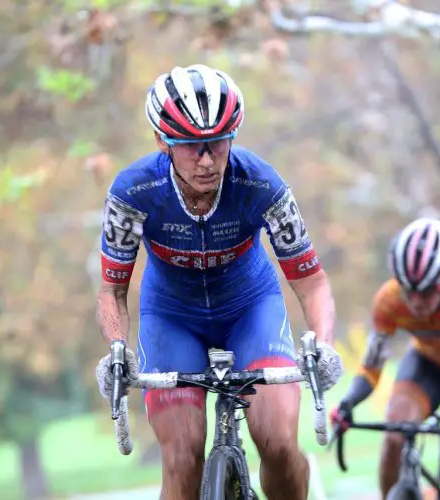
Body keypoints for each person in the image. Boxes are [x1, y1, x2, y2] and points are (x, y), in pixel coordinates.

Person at [93, 64, 343, 500]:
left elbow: (312, 282)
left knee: (280, 445)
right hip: (172, 317)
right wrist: (117, 348)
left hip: (251, 308)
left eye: (219, 142)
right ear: (162, 142)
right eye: (192, 147)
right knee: (182, 456)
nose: (207, 160)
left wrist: (322, 343)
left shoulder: (261, 183)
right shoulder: (133, 193)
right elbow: (112, 290)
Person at [331, 218, 440, 500]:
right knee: (394, 436)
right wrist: (348, 402)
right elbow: (371, 367)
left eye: (426, 293)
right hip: (428, 368)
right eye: (408, 291)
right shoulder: (388, 300)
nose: (415, 302)